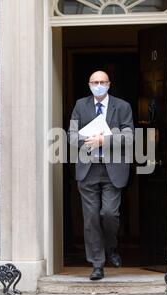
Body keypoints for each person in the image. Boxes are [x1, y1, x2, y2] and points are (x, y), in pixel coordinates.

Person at [68, 71, 134, 281]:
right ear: (89, 85)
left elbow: (129, 135)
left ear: (109, 84)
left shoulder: (122, 106)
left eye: (102, 82)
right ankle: (97, 264)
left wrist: (103, 140)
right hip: (88, 170)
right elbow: (71, 134)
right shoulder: (80, 105)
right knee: (91, 219)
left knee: (109, 214)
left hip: (112, 170)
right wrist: (87, 141)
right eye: (94, 82)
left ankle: (111, 246)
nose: (98, 85)